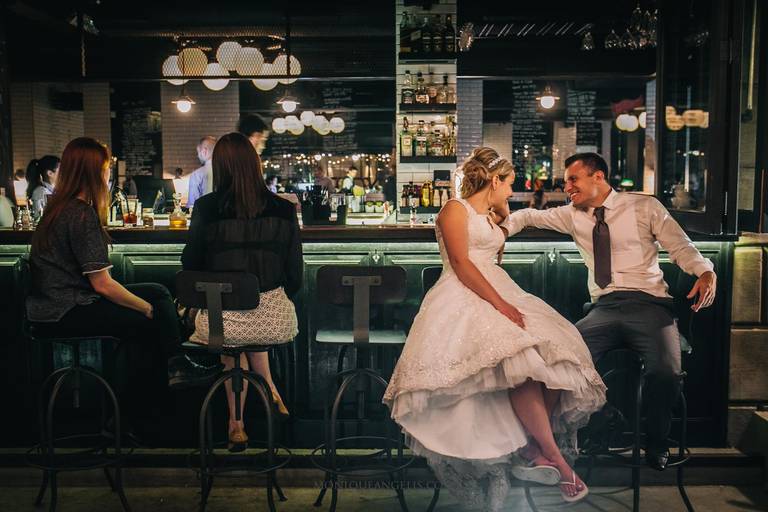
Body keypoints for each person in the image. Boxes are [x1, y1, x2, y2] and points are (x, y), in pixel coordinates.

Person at [383, 147, 606, 510]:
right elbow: (461, 263)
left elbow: (503, 227)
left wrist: (501, 211)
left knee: (548, 362)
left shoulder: (489, 217)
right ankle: (556, 461)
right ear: (494, 179)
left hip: (499, 289)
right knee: (519, 370)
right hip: (465, 292)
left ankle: (534, 448)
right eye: (509, 185)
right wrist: (499, 305)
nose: (511, 193)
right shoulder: (455, 209)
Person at [506, 152, 717, 471]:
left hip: (649, 305)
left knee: (666, 372)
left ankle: (657, 439)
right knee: (559, 361)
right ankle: (604, 418)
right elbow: (527, 217)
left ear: (598, 177)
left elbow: (680, 245)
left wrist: (704, 271)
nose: (568, 188)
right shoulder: (570, 215)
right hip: (603, 308)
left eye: (573, 180)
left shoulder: (645, 206)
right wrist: (496, 227)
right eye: (565, 183)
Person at [25, 138, 200, 431]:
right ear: (93, 172)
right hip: (66, 310)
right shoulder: (80, 213)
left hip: (50, 306)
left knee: (157, 293)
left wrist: (146, 304)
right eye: (106, 169)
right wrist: (143, 308)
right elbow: (103, 285)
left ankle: (174, 368)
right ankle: (135, 414)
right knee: (148, 320)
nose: (109, 176)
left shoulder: (59, 208)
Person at [182, 132, 302, 452]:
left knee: (229, 329)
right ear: (255, 164)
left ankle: (236, 424)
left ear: (219, 167)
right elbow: (295, 276)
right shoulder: (284, 208)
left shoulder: (206, 208)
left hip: (222, 320)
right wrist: (265, 296)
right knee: (250, 322)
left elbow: (190, 264)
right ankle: (270, 392)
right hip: (273, 319)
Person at [187, 136, 216, 208]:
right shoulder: (228, 171)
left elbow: (192, 205)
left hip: (204, 217)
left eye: (198, 152)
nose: (198, 156)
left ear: (204, 151)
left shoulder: (197, 175)